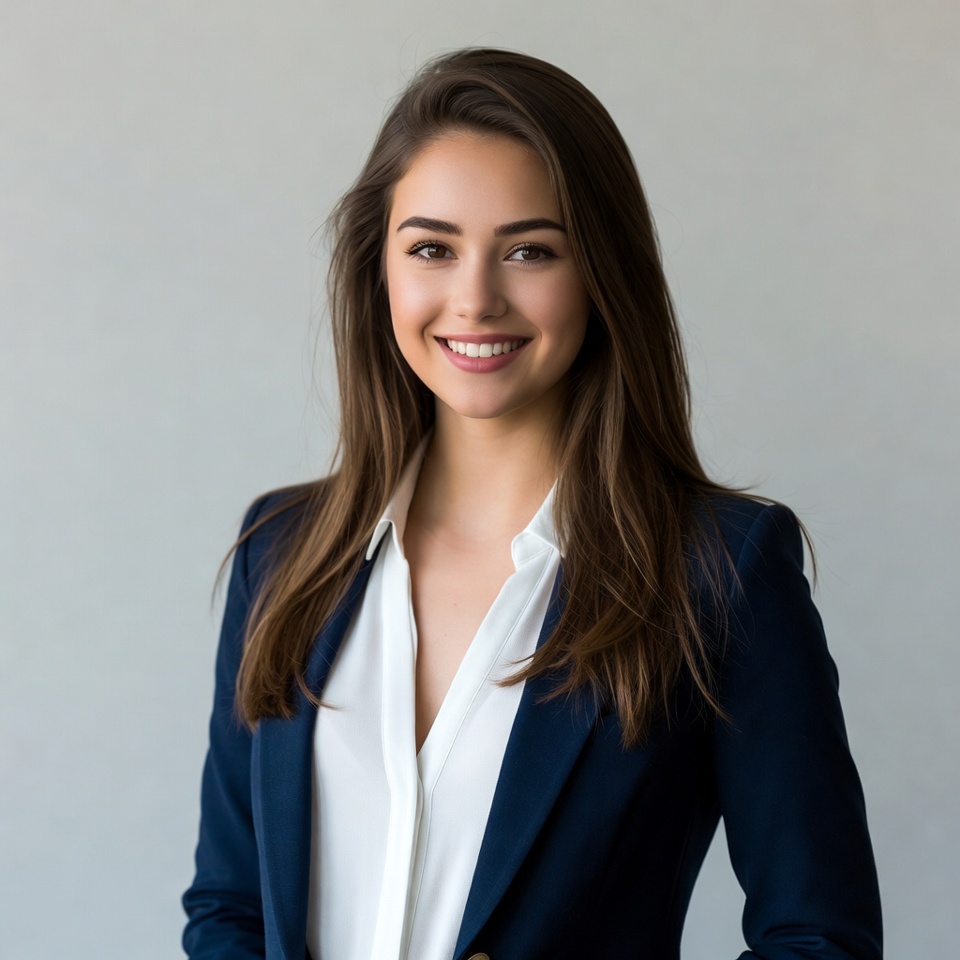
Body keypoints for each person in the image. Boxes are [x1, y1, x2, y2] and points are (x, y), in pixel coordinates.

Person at [182, 48, 882, 960]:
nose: (475, 299)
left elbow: (819, 937)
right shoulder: (282, 550)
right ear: (378, 270)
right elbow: (230, 911)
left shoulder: (719, 569)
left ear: (600, 273)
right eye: (432, 248)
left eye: (530, 250)